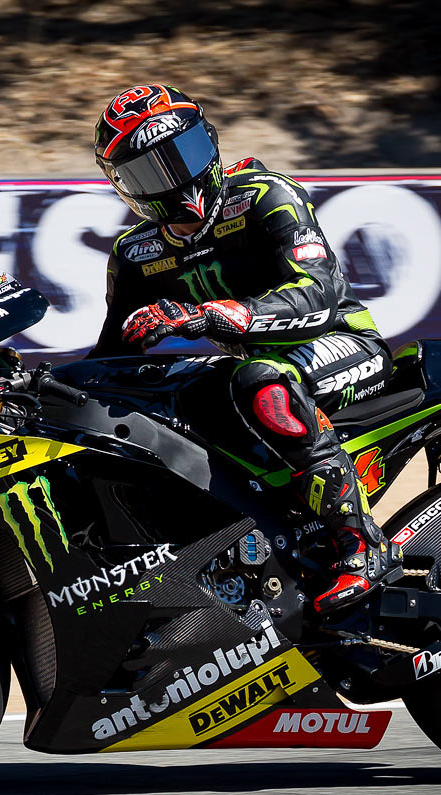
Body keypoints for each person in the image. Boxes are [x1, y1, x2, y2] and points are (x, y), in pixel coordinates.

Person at [88, 84, 401, 614]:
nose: (176, 180)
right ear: (124, 187)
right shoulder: (136, 254)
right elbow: (108, 361)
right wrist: (29, 382)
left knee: (261, 383)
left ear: (208, 142)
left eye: (181, 155)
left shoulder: (263, 195)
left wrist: (213, 314)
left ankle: (362, 547)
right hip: (250, 365)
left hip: (343, 341)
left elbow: (320, 289)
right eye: (149, 171)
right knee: (169, 408)